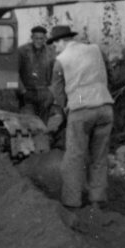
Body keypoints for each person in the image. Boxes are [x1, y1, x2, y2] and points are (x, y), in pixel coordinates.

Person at [48, 24, 114, 210]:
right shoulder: (95, 49)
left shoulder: (61, 60)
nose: (55, 49)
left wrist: (64, 110)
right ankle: (97, 200)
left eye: (55, 45)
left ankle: (71, 201)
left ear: (62, 41)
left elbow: (57, 90)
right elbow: (109, 74)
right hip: (105, 107)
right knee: (99, 156)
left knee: (74, 157)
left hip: (81, 109)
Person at [17, 24, 54, 121]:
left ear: (45, 38)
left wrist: (52, 90)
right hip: (28, 92)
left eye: (41, 38)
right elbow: (15, 72)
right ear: (32, 38)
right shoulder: (22, 51)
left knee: (44, 121)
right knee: (28, 120)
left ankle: (43, 135)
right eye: (36, 38)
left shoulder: (51, 51)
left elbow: (56, 71)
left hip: (44, 92)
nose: (39, 41)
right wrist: (22, 91)